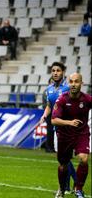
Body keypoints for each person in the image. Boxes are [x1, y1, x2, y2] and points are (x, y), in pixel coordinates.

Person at [52, 73, 91, 198]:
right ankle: (62, 190)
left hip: (81, 134)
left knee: (84, 159)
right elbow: (53, 120)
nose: (73, 84)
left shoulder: (87, 99)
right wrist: (69, 122)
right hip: (64, 135)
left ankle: (78, 189)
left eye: (76, 82)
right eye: (71, 82)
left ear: (81, 83)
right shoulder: (62, 99)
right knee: (63, 165)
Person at [38, 62, 76, 193]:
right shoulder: (49, 89)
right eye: (53, 70)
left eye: (58, 70)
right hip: (56, 125)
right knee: (62, 158)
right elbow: (49, 105)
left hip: (67, 126)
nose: (55, 73)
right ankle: (68, 186)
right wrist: (44, 116)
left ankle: (73, 185)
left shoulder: (68, 87)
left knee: (64, 158)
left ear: (63, 72)